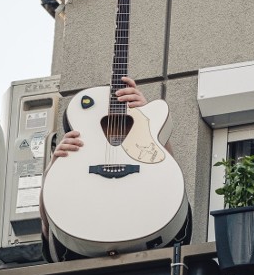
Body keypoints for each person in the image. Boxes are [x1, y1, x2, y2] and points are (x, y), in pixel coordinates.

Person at [39, 76, 184, 262]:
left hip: (149, 267)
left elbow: (171, 186)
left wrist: (148, 120)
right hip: (81, 271)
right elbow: (46, 226)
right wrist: (52, 170)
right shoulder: (72, 187)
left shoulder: (156, 198)